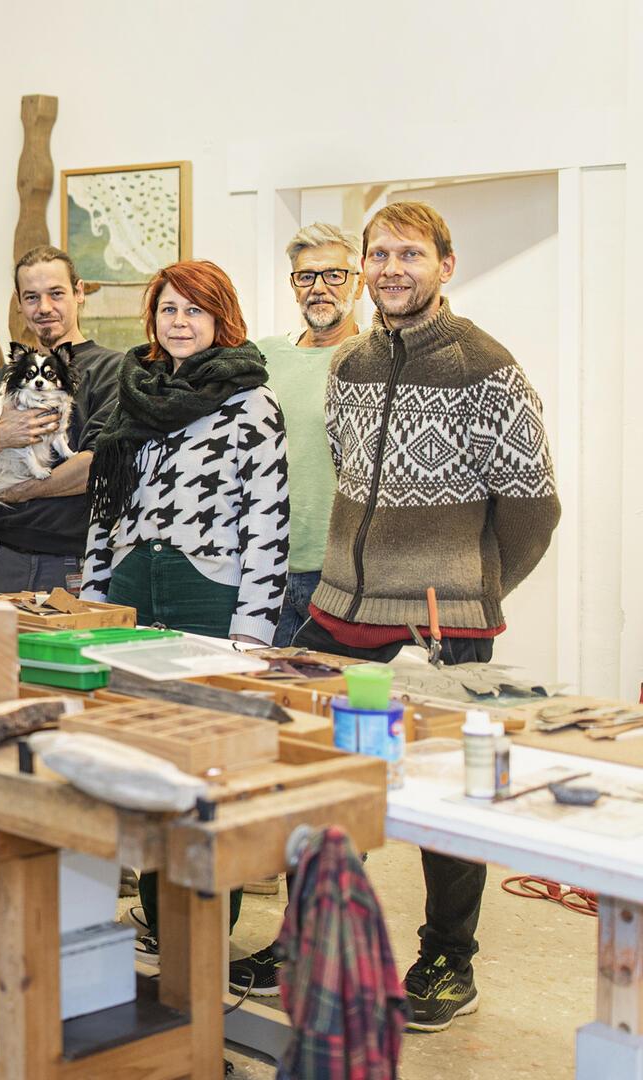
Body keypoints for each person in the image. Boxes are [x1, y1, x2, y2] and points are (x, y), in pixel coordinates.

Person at [293, 201, 559, 1033]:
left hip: (445, 626)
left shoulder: (490, 368)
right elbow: (345, 471)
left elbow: (532, 509)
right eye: (379, 255)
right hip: (339, 611)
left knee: (445, 808)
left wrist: (471, 588)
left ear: (447, 263)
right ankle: (315, 939)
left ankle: (449, 956)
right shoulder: (350, 366)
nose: (391, 269)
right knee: (314, 781)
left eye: (411, 254)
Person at [80, 259, 289, 962]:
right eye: (168, 309)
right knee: (143, 760)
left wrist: (251, 636)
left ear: (219, 317)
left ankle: (199, 938)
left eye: (194, 310)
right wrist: (90, 600)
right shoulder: (132, 396)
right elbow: (106, 511)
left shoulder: (252, 404)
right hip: (136, 587)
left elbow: (269, 524)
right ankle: (157, 921)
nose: (179, 322)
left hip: (210, 593)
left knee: (205, 773)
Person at [0, 245, 124, 595]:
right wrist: (0, 436)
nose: (44, 308)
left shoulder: (113, 371)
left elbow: (94, 467)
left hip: (72, 564)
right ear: (19, 303)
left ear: (79, 292)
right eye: (32, 297)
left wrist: (19, 493)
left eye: (56, 293)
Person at [259, 224, 362, 648]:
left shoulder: (377, 359)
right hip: (265, 567)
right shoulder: (262, 357)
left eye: (334, 275)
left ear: (358, 283)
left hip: (346, 577)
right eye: (306, 276)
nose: (319, 287)